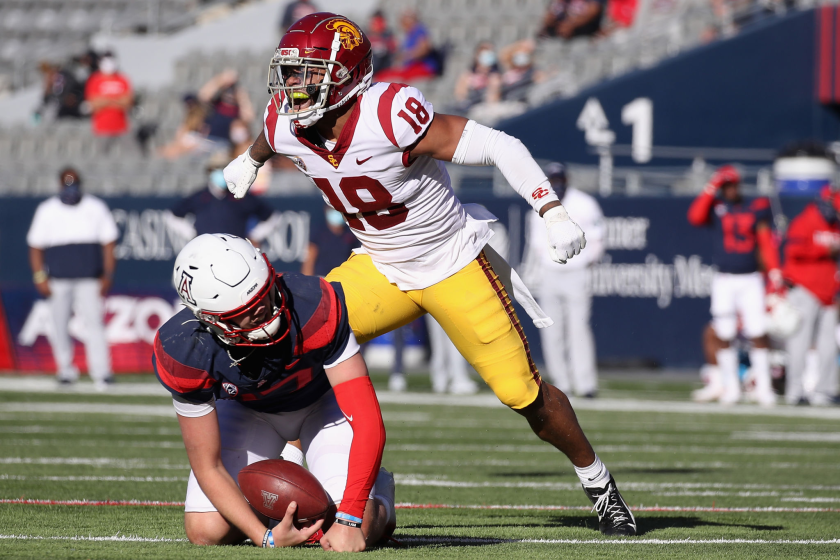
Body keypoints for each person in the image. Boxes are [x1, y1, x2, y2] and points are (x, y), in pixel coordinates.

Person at [223, 12, 635, 536]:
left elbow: (499, 145)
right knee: (293, 341)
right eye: (290, 74)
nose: (293, 88)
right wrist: (250, 160)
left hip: (452, 263)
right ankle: (313, 469)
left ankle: (597, 481)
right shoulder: (286, 119)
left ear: (346, 75)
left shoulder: (390, 114)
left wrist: (550, 210)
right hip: (379, 266)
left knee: (521, 394)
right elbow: (269, 133)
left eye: (306, 74)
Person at [153, 234, 395, 550]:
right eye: (248, 311)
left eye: (266, 294)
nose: (268, 311)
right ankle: (280, 513)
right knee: (205, 531)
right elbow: (207, 466)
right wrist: (264, 538)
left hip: (323, 403)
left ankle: (383, 500)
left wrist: (349, 519)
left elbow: (367, 420)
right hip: (249, 411)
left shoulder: (313, 303)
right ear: (210, 320)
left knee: (357, 526)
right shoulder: (183, 349)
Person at [687, 164, 781, 406]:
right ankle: (731, 388)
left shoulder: (755, 206)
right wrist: (712, 185)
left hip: (750, 277)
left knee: (757, 330)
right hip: (725, 278)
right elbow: (695, 216)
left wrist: (774, 272)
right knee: (725, 332)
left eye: (732, 185)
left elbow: (764, 241)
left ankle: (764, 387)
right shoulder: (717, 207)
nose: (730, 190)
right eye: (725, 186)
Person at [26, 168, 118, 389]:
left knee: (94, 323)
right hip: (58, 279)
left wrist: (107, 274)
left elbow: (109, 243)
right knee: (58, 325)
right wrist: (40, 276)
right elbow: (36, 246)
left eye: (74, 183)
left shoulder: (95, 207)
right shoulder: (47, 210)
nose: (71, 188)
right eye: (66, 184)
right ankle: (65, 370)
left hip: (89, 278)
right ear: (59, 185)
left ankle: (101, 372)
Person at [521, 163, 604, 398]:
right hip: (550, 272)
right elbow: (537, 242)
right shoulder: (538, 204)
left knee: (579, 329)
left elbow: (598, 237)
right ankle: (561, 382)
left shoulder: (585, 203)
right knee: (552, 330)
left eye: (560, 178)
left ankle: (585, 383)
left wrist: (586, 261)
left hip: (577, 272)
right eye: (553, 179)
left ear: (567, 179)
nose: (557, 183)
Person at [781, 187, 840, 406]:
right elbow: (793, 251)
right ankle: (795, 391)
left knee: (829, 345)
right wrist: (824, 250)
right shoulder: (805, 221)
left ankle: (824, 391)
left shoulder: (835, 224)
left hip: (828, 291)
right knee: (799, 342)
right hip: (805, 288)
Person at [169, 156, 275, 241]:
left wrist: (254, 237)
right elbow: (173, 215)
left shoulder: (241, 196)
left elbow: (271, 217)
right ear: (209, 173)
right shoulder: (199, 197)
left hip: (235, 252)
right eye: (218, 169)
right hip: (205, 251)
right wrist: (192, 235)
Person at [84, 52, 134, 154]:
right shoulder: (94, 80)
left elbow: (127, 102)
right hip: (102, 127)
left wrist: (105, 100)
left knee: (134, 154)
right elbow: (93, 103)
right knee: (100, 156)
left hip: (122, 126)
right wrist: (116, 100)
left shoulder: (122, 79)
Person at [373, 10, 440, 82]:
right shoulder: (410, 33)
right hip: (412, 67)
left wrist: (407, 56)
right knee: (383, 75)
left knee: (388, 77)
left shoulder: (419, 29)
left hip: (423, 67)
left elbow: (425, 48)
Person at [199, 69, 255, 149]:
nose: (229, 95)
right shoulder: (216, 104)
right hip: (208, 141)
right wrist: (220, 81)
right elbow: (203, 96)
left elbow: (249, 117)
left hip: (227, 145)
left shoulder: (237, 110)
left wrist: (242, 96)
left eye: (232, 92)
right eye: (227, 91)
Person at [302, 207, 360, 277]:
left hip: (341, 278)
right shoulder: (319, 232)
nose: (336, 213)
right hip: (321, 279)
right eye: (333, 210)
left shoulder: (351, 233)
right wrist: (307, 283)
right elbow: (309, 259)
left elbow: (356, 259)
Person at [451, 42, 502, 115]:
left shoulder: (495, 76)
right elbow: (460, 94)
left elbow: (493, 99)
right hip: (470, 109)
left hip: (487, 110)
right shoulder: (467, 75)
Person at [539, 0, 607, 39]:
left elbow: (594, 10)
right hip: (556, 33)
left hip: (582, 35)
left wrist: (572, 24)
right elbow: (552, 11)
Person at [367, 10, 397, 76]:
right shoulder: (366, 36)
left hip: (384, 70)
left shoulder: (387, 36)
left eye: (379, 22)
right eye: (374, 23)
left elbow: (394, 52)